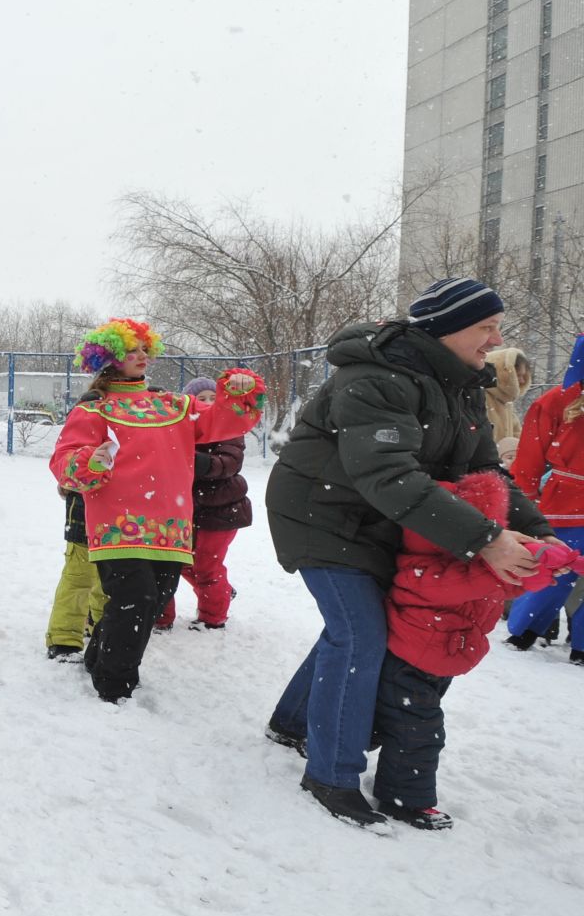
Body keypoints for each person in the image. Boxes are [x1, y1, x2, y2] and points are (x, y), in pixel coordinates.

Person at [263, 278, 553, 828]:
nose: (496, 338)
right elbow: (389, 475)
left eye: (497, 326)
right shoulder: (375, 379)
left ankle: (294, 722)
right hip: (321, 515)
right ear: (445, 330)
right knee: (359, 634)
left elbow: (485, 472)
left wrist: (539, 532)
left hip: (379, 520)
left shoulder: (463, 385)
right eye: (485, 327)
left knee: (352, 629)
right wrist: (487, 540)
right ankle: (332, 775)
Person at [49, 320, 265, 703]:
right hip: (118, 527)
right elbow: (63, 462)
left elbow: (224, 420)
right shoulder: (96, 410)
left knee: (152, 598)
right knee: (138, 598)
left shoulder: (173, 405)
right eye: (131, 350)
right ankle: (114, 686)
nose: (141, 356)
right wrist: (90, 460)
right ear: (109, 358)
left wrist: (237, 388)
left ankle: (99, 657)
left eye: (144, 349)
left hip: (171, 527)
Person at [378, 471, 579, 829]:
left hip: (441, 660)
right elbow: (459, 585)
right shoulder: (421, 566)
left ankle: (374, 762)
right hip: (412, 659)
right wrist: (503, 567)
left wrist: (538, 571)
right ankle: (405, 800)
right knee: (420, 732)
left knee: (400, 724)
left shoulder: (478, 564)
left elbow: (499, 590)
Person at [503, 332, 584, 665]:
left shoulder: (555, 401)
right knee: (554, 567)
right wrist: (525, 505)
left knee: (555, 568)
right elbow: (529, 462)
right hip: (565, 504)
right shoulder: (556, 402)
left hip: (564, 504)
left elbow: (529, 462)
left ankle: (527, 631)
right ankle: (530, 631)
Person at [155, 375, 253, 631]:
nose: (209, 403)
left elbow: (229, 463)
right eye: (202, 399)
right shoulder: (182, 428)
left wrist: (196, 460)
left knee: (207, 566)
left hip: (221, 511)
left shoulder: (229, 427)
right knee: (181, 564)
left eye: (214, 398)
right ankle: (217, 593)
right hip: (187, 509)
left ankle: (212, 617)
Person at [43, 489, 106, 660]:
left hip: (122, 515)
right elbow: (62, 464)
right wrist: (69, 475)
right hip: (83, 512)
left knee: (110, 579)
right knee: (79, 577)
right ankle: (64, 638)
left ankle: (103, 630)